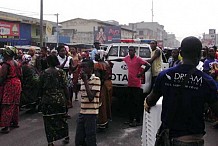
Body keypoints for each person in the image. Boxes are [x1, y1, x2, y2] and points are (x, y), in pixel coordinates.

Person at [144, 36, 218, 146]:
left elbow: (151, 99)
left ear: (181, 53)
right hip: (191, 140)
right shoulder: (207, 81)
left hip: (167, 137)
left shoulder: (165, 75)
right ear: (200, 54)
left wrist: (147, 102)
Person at [107, 46, 151, 126]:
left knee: (136, 103)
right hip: (130, 84)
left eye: (131, 50)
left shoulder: (138, 59)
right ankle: (130, 120)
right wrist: (110, 60)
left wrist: (141, 74)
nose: (130, 52)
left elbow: (148, 65)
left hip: (136, 84)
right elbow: (120, 59)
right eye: (129, 50)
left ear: (134, 51)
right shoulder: (127, 58)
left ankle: (138, 120)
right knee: (130, 103)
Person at [39, 55, 70, 146]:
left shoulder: (43, 73)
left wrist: (40, 99)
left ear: (48, 62)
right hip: (60, 99)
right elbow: (65, 87)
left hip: (47, 100)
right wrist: (68, 99)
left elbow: (40, 87)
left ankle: (50, 142)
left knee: (48, 121)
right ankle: (66, 136)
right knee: (62, 118)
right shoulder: (61, 72)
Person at [75, 59, 101, 146]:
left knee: (90, 139)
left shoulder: (96, 80)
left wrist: (85, 81)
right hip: (83, 112)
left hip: (91, 113)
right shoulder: (82, 80)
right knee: (79, 139)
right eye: (81, 67)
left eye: (84, 67)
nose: (82, 70)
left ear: (91, 68)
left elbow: (91, 97)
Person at [0, 46, 22, 134]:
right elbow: (21, 75)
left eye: (4, 53)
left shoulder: (6, 64)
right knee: (15, 104)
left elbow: (2, 77)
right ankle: (15, 122)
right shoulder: (17, 63)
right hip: (17, 83)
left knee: (7, 104)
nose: (3, 54)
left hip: (10, 84)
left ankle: (6, 126)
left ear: (7, 54)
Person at [94, 50, 113, 130]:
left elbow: (98, 78)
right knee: (107, 103)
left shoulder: (98, 65)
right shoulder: (108, 64)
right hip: (109, 84)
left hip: (102, 86)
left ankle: (102, 122)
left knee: (101, 105)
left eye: (97, 55)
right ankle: (106, 120)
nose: (95, 56)